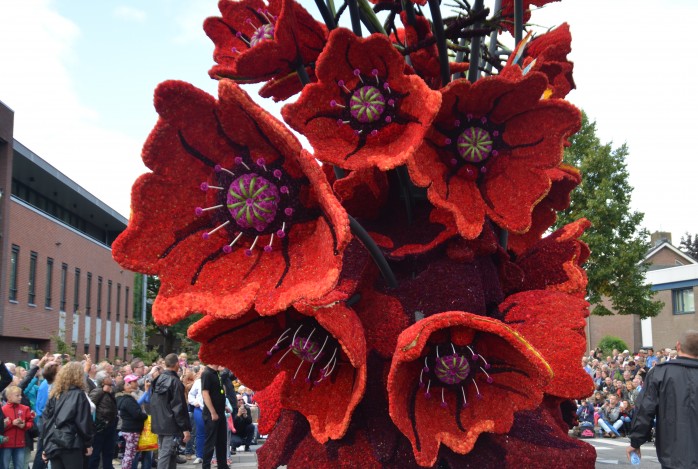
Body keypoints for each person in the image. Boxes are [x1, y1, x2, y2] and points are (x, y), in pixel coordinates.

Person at [627, 330, 698, 467]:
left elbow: (645, 410)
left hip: (672, 453)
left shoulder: (660, 373)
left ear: (678, 346)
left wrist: (636, 442)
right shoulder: (660, 372)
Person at [41, 361, 95, 469]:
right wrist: (88, 443)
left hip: (54, 441)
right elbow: (83, 422)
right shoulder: (78, 394)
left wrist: (46, 445)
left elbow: (46, 421)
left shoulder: (55, 393)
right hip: (72, 442)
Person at [150, 353, 191, 469]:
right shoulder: (175, 382)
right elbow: (178, 407)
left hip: (159, 421)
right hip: (170, 423)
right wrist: (185, 428)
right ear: (177, 364)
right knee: (166, 452)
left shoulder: (158, 379)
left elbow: (153, 402)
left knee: (170, 451)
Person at [201, 363, 229, 469]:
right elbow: (205, 393)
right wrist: (212, 412)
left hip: (220, 412)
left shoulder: (217, 373)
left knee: (221, 441)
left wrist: (224, 405)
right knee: (210, 442)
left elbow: (218, 392)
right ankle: (206, 466)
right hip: (212, 414)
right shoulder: (207, 374)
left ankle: (222, 465)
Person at [116, 375, 148, 469]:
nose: (130, 386)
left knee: (129, 454)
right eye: (127, 385)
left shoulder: (122, 399)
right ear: (123, 389)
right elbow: (137, 414)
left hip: (128, 429)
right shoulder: (127, 400)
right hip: (131, 430)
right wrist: (145, 416)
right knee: (129, 455)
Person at [87, 371, 117, 469]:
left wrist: (110, 392)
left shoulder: (111, 391)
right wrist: (102, 391)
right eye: (107, 377)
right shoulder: (97, 391)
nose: (110, 378)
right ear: (102, 381)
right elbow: (90, 406)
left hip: (110, 426)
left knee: (108, 452)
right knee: (95, 454)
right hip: (100, 427)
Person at [1, 385, 34, 468]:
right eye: (17, 395)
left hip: (20, 444)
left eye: (21, 395)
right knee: (5, 466)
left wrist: (24, 425)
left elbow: (30, 423)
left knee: (19, 466)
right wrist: (12, 423)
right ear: (9, 397)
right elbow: (1, 427)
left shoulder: (25, 408)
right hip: (6, 444)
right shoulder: (3, 409)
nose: (20, 397)